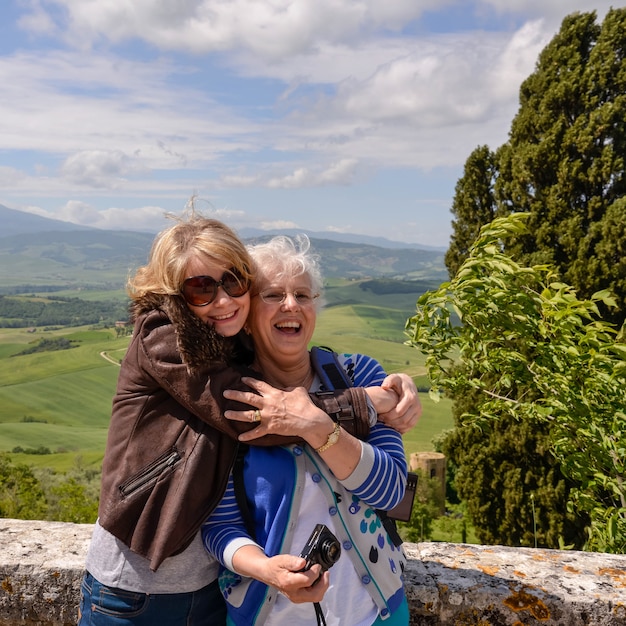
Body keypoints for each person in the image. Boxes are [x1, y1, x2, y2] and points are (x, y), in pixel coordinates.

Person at [78, 210, 419, 626]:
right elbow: (226, 501)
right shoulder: (173, 344)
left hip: (213, 590)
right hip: (138, 584)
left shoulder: (353, 371)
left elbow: (390, 490)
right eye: (201, 288)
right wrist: (364, 403)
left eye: (234, 283)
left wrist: (361, 403)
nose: (223, 300)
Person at [202, 235, 411, 625]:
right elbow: (219, 525)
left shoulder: (358, 374)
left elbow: (390, 488)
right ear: (245, 315)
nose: (291, 305)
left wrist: (317, 427)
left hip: (377, 612)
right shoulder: (229, 399)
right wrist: (266, 570)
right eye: (272, 295)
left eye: (303, 294)